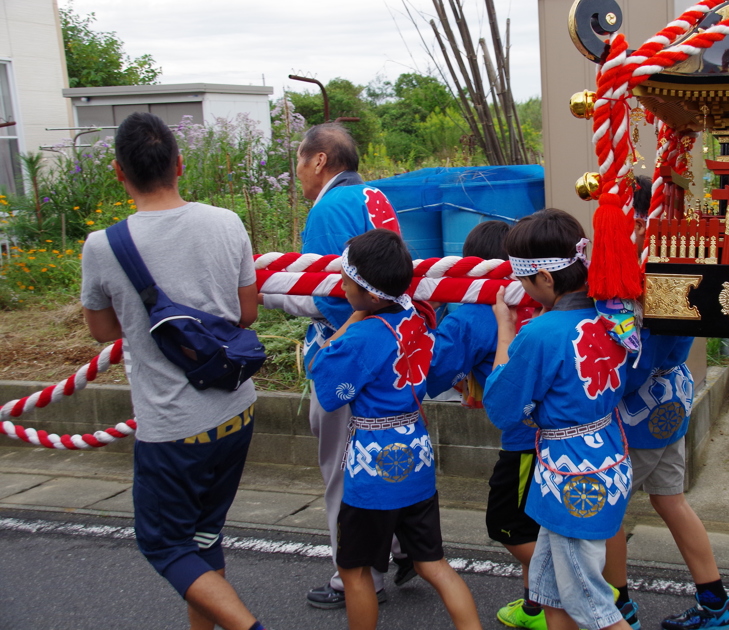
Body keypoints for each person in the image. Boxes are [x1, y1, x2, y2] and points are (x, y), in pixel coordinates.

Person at [80, 112, 267, 630]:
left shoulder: (102, 246)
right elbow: (246, 314)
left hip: (173, 426)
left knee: (164, 543)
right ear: (180, 165)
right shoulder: (226, 222)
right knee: (204, 537)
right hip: (235, 409)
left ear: (119, 173)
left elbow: (102, 331)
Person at [259, 122, 412, 608]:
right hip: (393, 347)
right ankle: (404, 544)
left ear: (319, 160)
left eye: (299, 163)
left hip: (350, 353)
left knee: (342, 466)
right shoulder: (375, 196)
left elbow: (329, 296)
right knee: (387, 457)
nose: (298, 175)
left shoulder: (329, 206)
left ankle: (356, 575)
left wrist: (264, 292)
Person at [308, 228, 483, 630]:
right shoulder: (414, 320)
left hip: (372, 471)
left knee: (353, 571)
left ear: (368, 295)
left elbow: (325, 383)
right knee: (432, 564)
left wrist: (349, 324)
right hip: (416, 458)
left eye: (347, 281)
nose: (341, 286)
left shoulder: (361, 336)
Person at [602, 176, 729, 630]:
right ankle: (716, 601)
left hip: (638, 406)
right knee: (670, 501)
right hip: (672, 399)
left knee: (610, 512)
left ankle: (618, 607)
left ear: (640, 218)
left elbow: (634, 359)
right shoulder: (682, 260)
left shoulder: (652, 273)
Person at [484, 208, 633, 630]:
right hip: (604, 454)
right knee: (552, 594)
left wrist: (506, 332)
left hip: (570, 475)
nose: (521, 288)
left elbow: (501, 408)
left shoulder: (543, 331)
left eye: (524, 280)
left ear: (545, 279)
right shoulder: (616, 316)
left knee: (590, 604)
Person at [426, 220, 547, 629]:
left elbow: (432, 374)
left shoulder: (474, 315)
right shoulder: (548, 301)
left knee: (508, 526)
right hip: (571, 434)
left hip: (525, 440)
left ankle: (568, 591)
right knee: (536, 523)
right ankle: (535, 608)